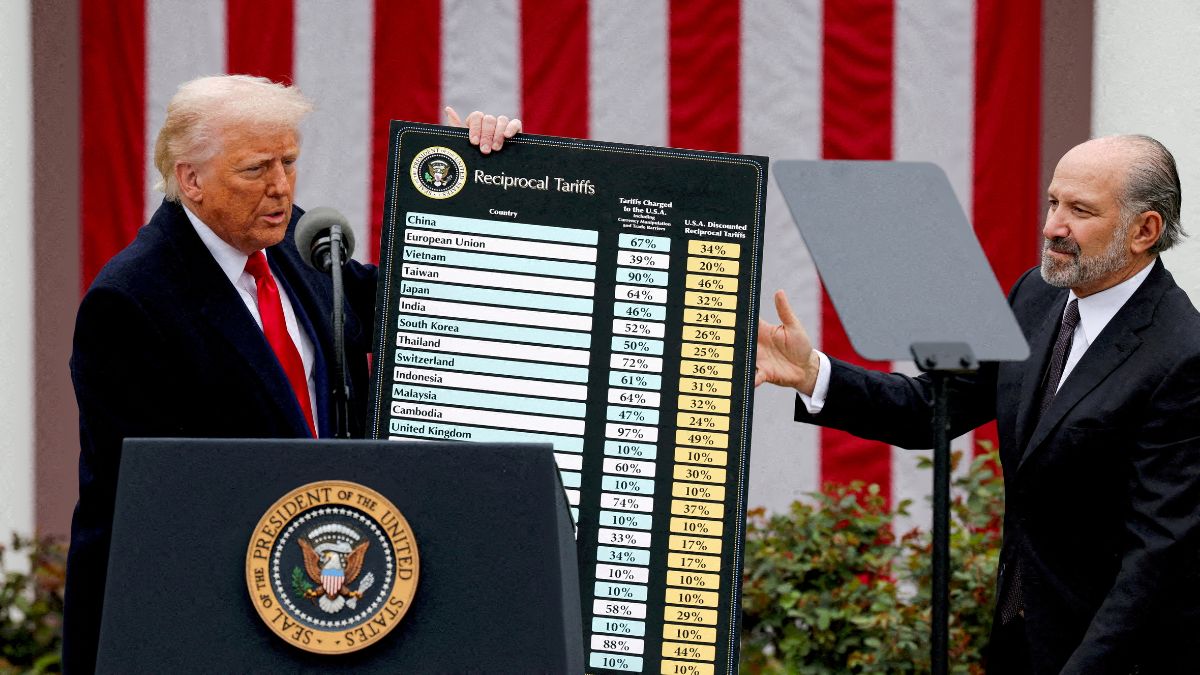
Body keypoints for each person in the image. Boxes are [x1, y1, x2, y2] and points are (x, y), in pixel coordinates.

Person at [65, 74, 521, 672]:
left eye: (289, 162)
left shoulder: (294, 243)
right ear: (190, 178)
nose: (280, 187)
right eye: (256, 169)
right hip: (201, 626)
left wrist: (476, 187)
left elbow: (415, 307)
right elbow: (159, 502)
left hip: (322, 612)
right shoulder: (130, 302)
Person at [756, 135, 1200, 674]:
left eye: (1079, 210)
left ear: (1144, 230)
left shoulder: (1182, 354)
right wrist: (813, 373)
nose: (1052, 227)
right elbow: (931, 406)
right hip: (1020, 641)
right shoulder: (1035, 296)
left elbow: (1159, 558)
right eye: (1053, 202)